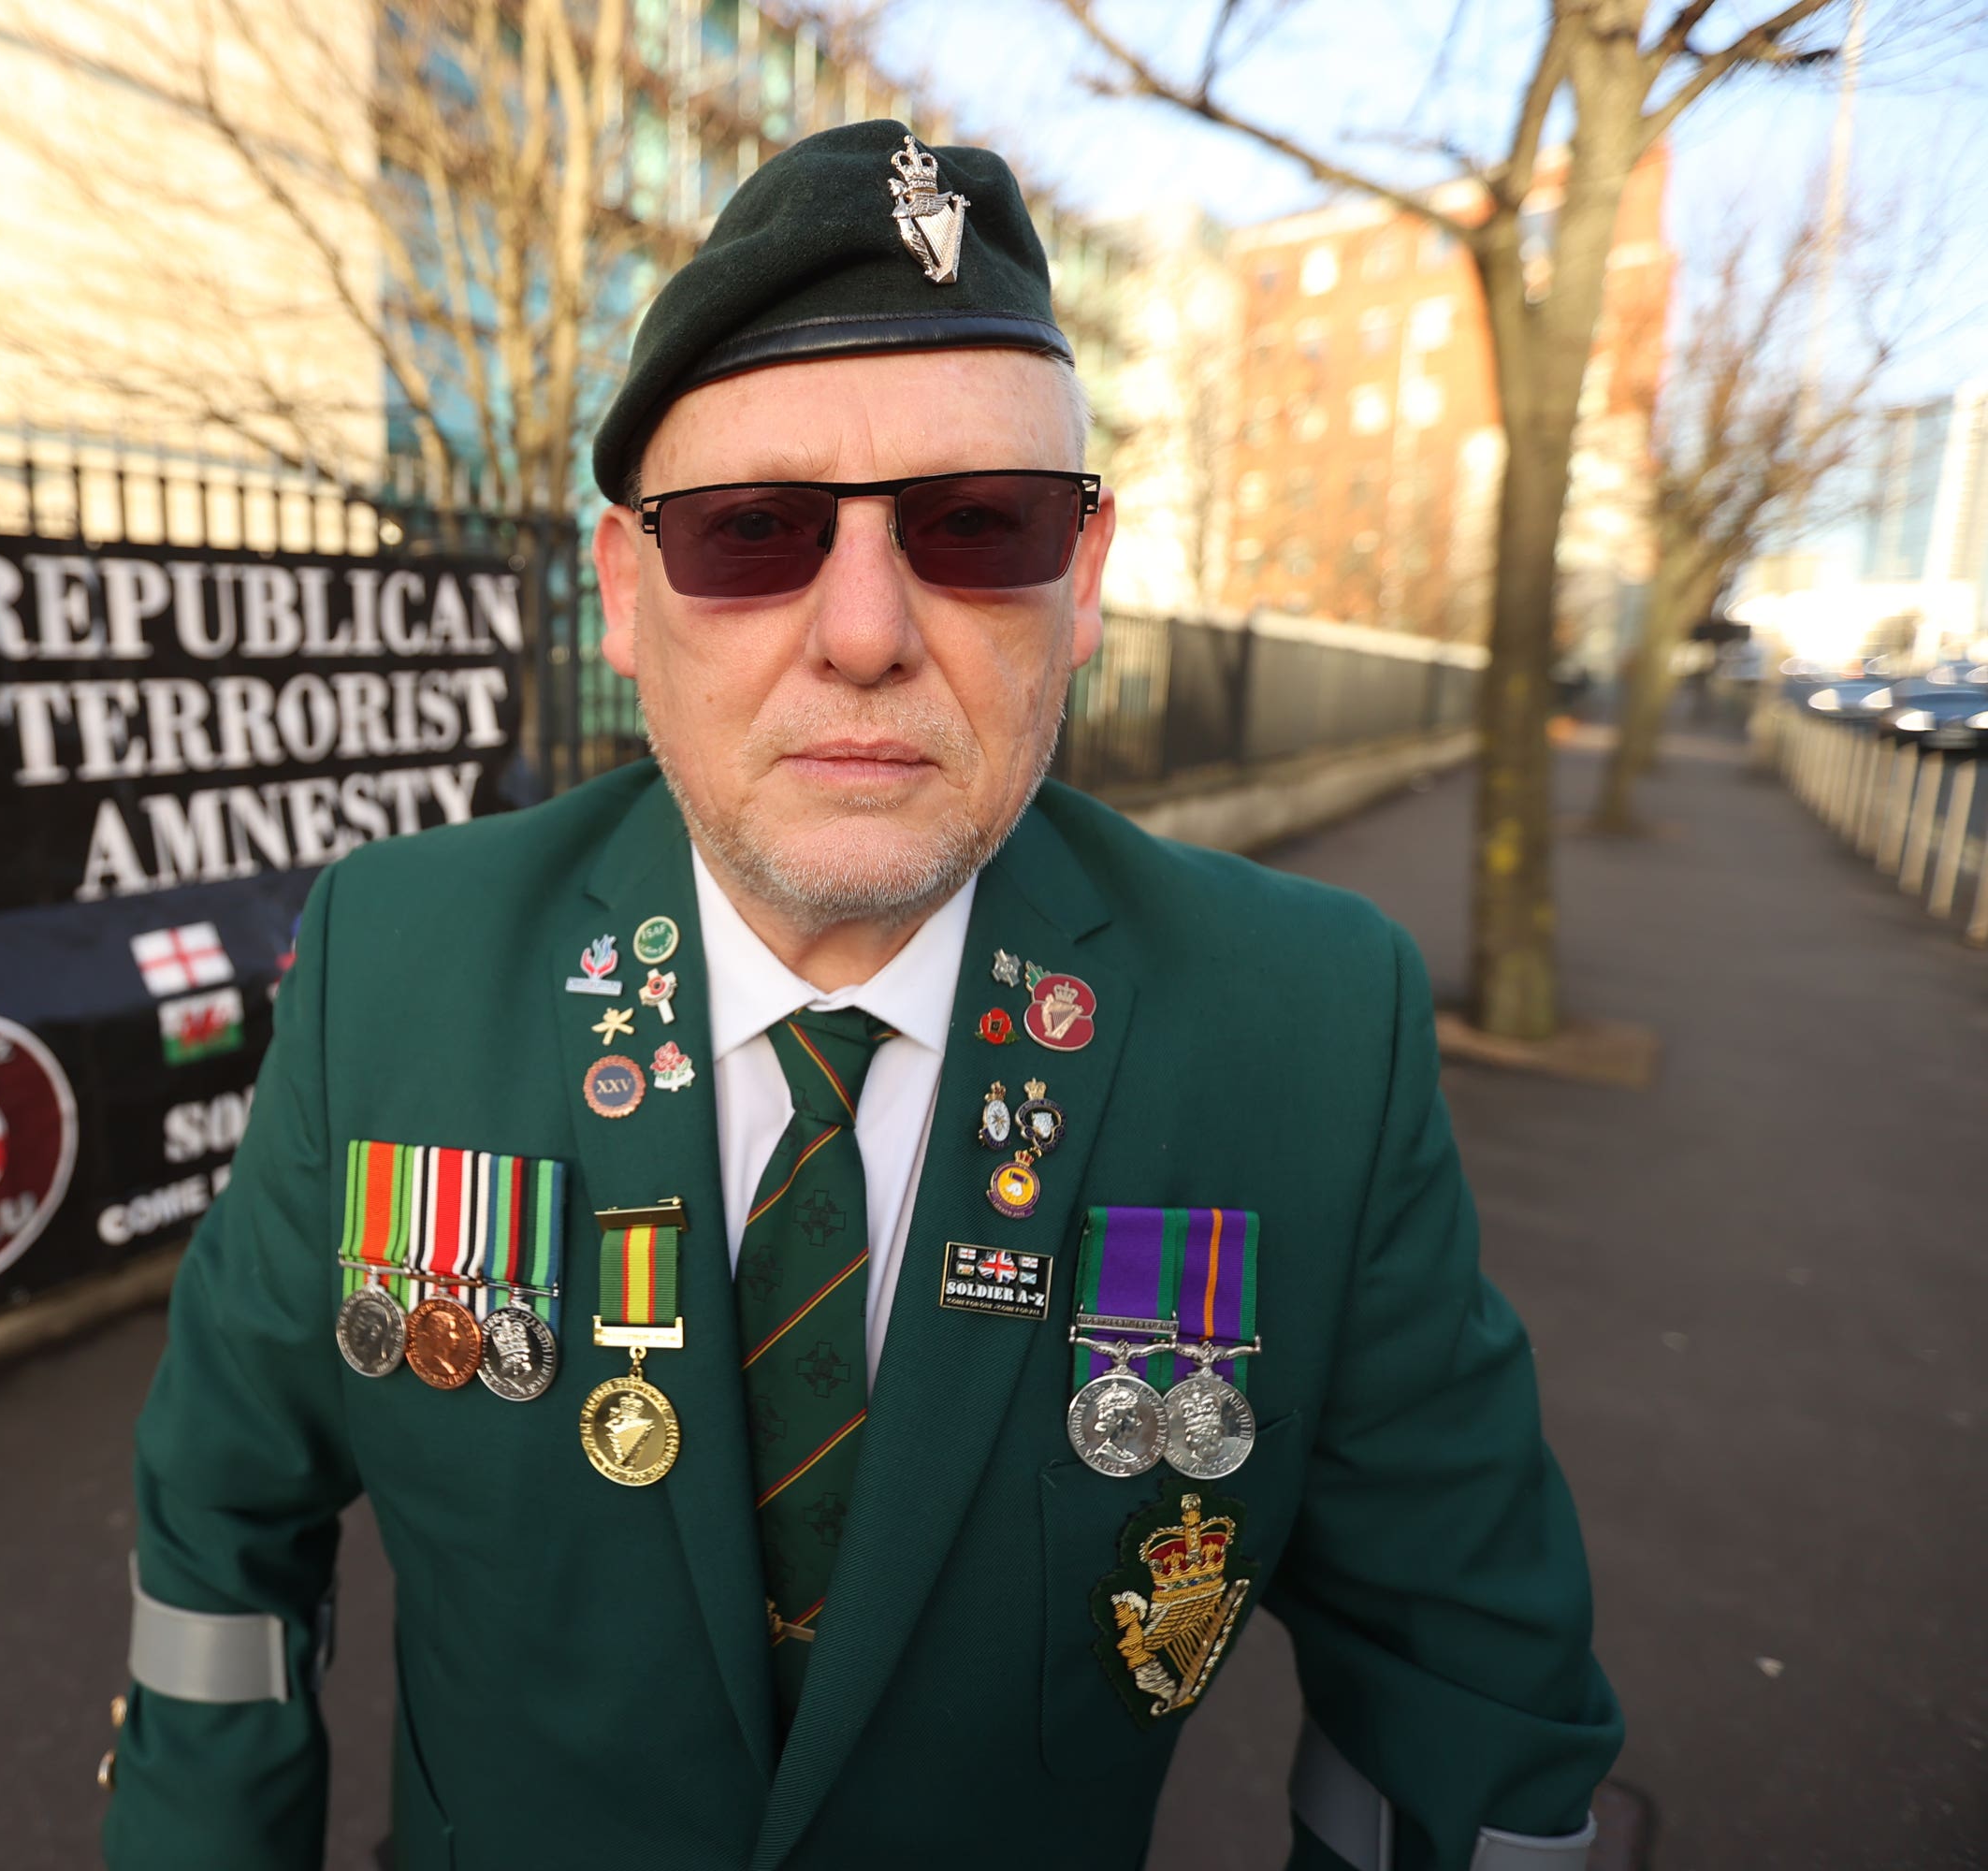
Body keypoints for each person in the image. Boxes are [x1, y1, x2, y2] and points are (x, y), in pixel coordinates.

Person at [102, 121, 1619, 1871]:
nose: (865, 631)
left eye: (980, 524)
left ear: (1087, 583)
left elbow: (1466, 1686)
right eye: (752, 532)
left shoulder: (1299, 1030)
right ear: (623, 596)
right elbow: (222, 1519)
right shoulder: (402, 961)